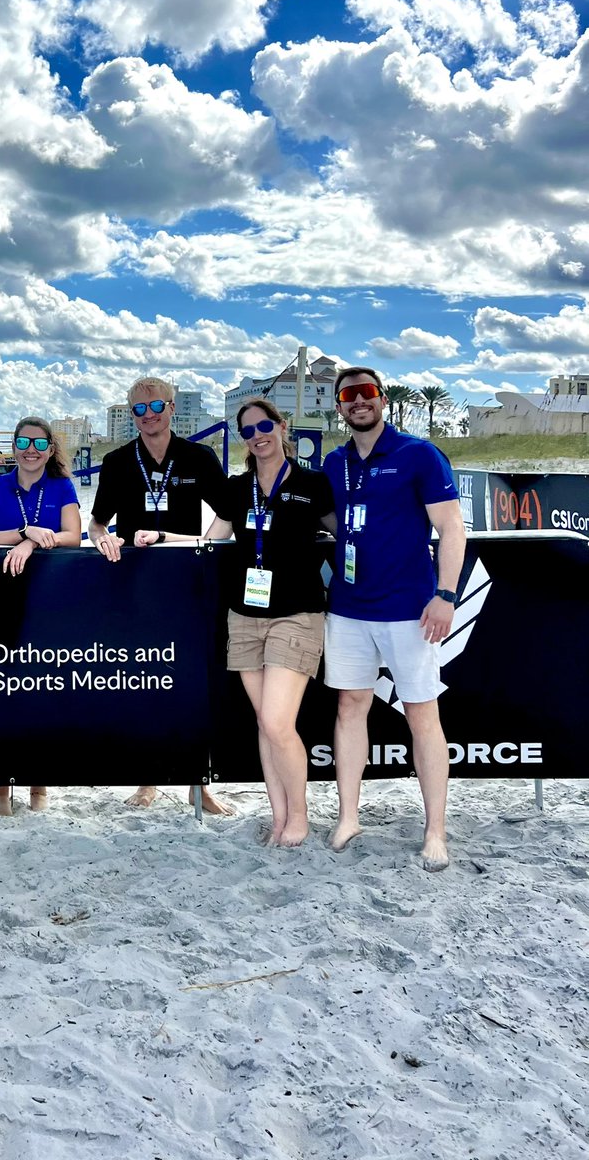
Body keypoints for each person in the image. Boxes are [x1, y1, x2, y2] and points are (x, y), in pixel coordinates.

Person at [322, 367, 465, 871]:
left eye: (367, 393)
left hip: (410, 610)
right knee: (350, 708)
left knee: (422, 715)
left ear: (383, 399)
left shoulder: (418, 454)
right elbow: (328, 521)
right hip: (348, 608)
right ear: (338, 407)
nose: (358, 402)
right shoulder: (333, 462)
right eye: (348, 396)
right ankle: (348, 816)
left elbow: (451, 527)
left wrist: (446, 594)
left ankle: (435, 831)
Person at [87, 375, 232, 815]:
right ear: (131, 415)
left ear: (172, 408)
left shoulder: (198, 456)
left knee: (192, 685)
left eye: (155, 407)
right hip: (134, 588)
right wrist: (102, 541)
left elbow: (229, 513)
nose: (148, 416)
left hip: (186, 587)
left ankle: (197, 785)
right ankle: (148, 779)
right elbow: (96, 524)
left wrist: (201, 549)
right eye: (138, 410)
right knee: (145, 681)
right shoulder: (116, 462)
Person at [199, 399, 334, 845]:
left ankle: (300, 815)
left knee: (278, 722)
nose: (258, 435)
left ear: (281, 426)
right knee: (264, 722)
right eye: (248, 430)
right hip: (245, 617)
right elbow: (210, 538)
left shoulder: (313, 484)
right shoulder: (238, 490)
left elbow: (347, 532)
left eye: (264, 425)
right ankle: (279, 817)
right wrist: (157, 536)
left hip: (297, 615)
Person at [0, 416, 82, 816]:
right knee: (1, 692)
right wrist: (28, 531)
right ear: (14, 445)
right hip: (0, 595)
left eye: (39, 443)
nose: (31, 449)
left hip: (49, 599)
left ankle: (39, 789)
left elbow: (72, 536)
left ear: (50, 450)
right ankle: (0, 790)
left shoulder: (61, 485)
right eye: (24, 441)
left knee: (43, 691)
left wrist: (34, 541)